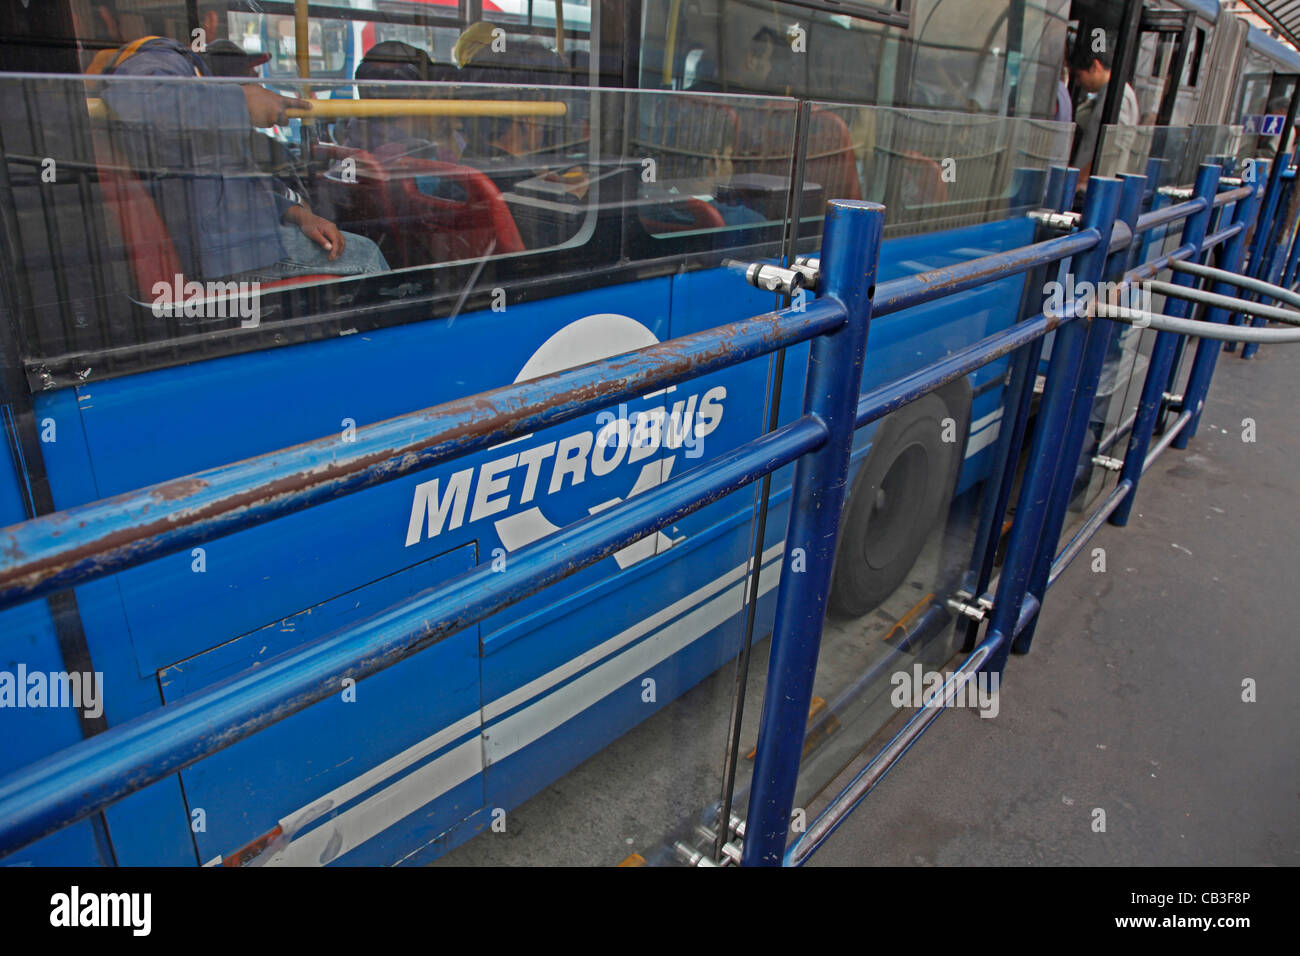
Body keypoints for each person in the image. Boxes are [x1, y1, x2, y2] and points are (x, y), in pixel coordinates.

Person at [98, 35, 388, 284]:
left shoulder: (204, 124)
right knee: (366, 256)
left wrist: (299, 214)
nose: (257, 80)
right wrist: (239, 101)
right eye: (249, 72)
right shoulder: (162, 55)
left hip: (233, 242)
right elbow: (135, 98)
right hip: (228, 255)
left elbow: (234, 187)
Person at [1069, 39, 1139, 178]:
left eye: (1079, 75)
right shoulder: (1107, 93)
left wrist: (1081, 178)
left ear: (1095, 67)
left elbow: (1112, 147)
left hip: (1096, 182)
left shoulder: (1118, 95)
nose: (1078, 82)